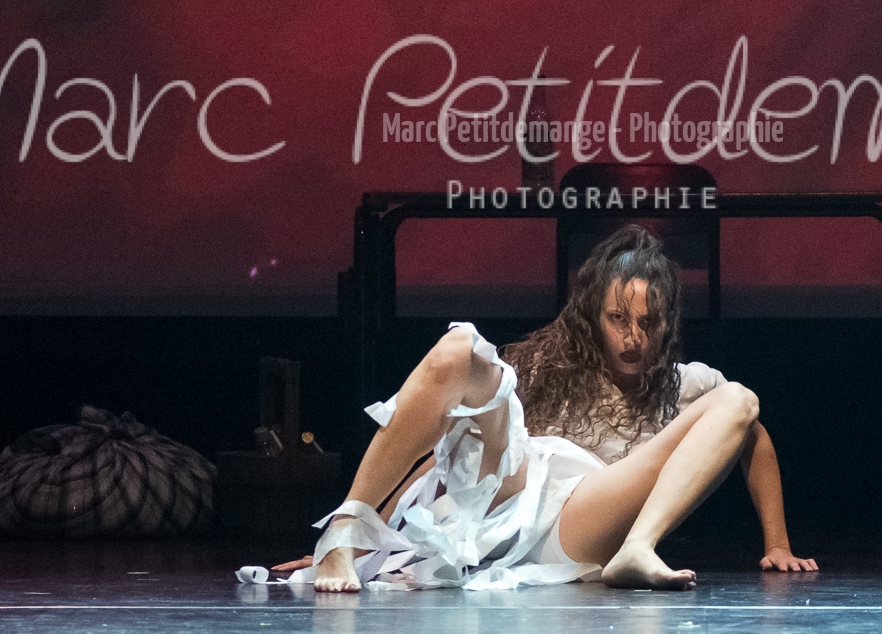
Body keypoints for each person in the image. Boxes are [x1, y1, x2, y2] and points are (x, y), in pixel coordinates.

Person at [261, 224, 816, 591]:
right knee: (460, 349)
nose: (633, 338)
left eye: (649, 323)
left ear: (668, 324)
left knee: (739, 398)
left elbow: (754, 438)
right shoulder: (547, 365)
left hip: (582, 520)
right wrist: (373, 540)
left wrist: (778, 544)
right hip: (513, 496)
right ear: (592, 317)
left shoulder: (687, 383)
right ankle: (345, 530)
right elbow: (441, 457)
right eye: (618, 319)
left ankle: (638, 548)